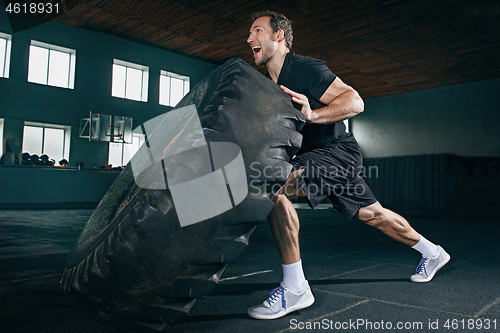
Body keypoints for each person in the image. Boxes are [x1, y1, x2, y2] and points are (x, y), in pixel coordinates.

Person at [245, 11, 451, 320]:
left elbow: (355, 102)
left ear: (278, 36)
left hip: (337, 151)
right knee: (374, 215)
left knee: (274, 185)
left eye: (257, 31)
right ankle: (433, 253)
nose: (249, 39)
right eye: (249, 34)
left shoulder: (303, 68)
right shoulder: (268, 85)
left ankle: (295, 288)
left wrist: (313, 114)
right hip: (320, 157)